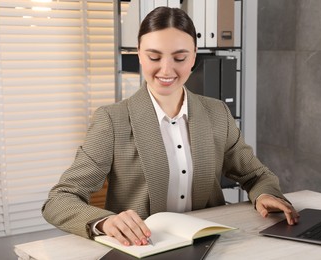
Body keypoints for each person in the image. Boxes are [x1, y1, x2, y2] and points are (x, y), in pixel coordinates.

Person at [42, 6, 299, 247]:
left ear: (193, 58)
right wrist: (105, 222)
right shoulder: (112, 120)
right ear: (140, 55)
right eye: (154, 56)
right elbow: (60, 200)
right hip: (143, 248)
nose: (166, 69)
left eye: (179, 57)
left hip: (211, 244)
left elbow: (256, 175)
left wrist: (264, 195)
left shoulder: (217, 112)